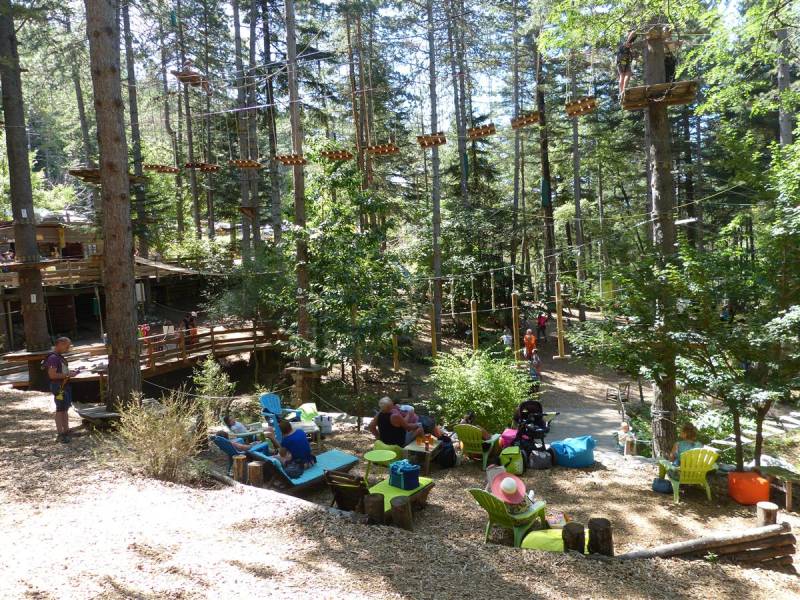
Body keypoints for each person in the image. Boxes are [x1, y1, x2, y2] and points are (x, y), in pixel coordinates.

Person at [44, 337, 82, 443]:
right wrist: (68, 374)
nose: (68, 348)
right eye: (67, 345)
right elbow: (52, 375)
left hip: (64, 385)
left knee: (65, 408)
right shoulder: (53, 358)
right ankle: (60, 434)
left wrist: (71, 373)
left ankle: (66, 430)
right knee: (60, 409)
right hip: (59, 387)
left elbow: (61, 371)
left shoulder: (59, 357)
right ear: (60, 343)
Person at [616, 30, 638, 96]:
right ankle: (622, 91)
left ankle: (622, 91)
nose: (631, 44)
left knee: (625, 75)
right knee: (623, 75)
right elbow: (632, 33)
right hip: (622, 60)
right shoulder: (626, 41)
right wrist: (635, 30)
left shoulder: (626, 44)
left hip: (624, 60)